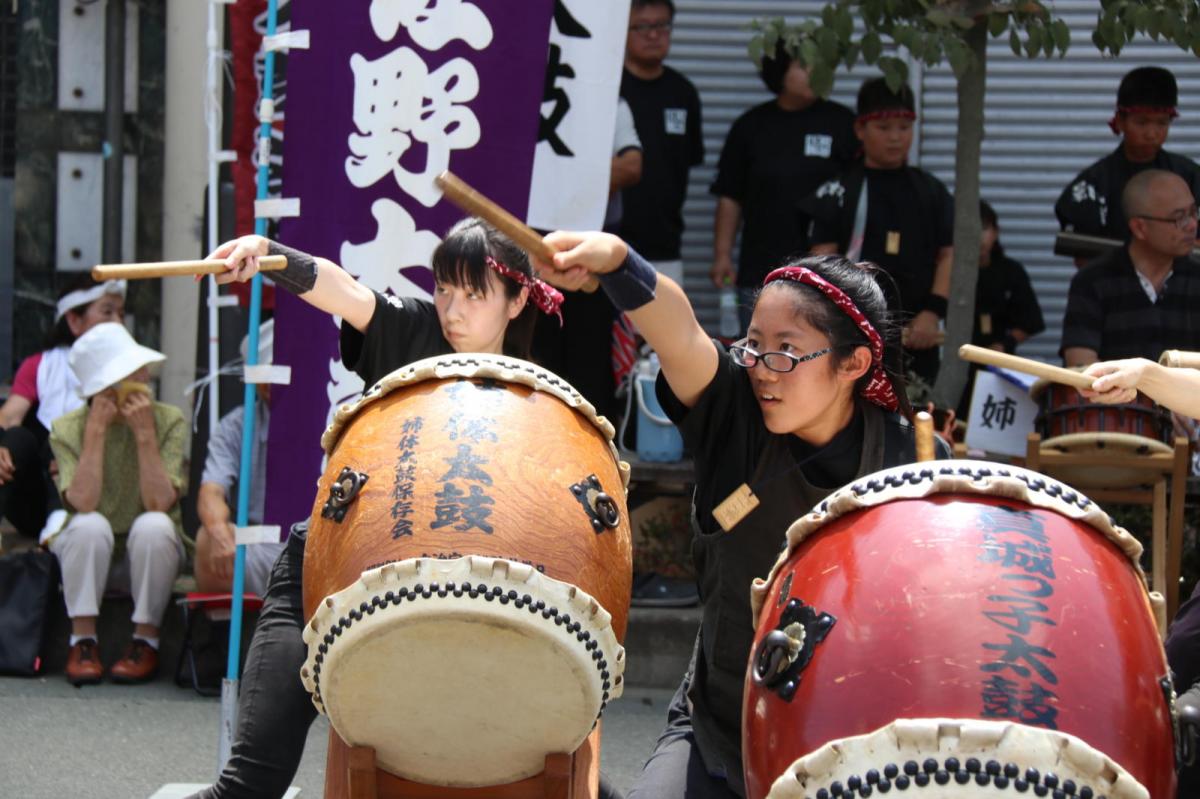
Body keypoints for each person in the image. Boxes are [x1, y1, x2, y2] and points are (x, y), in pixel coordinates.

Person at [191, 219, 625, 799]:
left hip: (489, 599)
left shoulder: (540, 401)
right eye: (445, 288)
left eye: (475, 294)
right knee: (248, 786)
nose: (453, 309)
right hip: (332, 573)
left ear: (519, 299)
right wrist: (270, 254)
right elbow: (342, 290)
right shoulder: (416, 335)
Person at [539, 230, 949, 797]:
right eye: (753, 345)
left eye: (784, 350)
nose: (760, 367)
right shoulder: (733, 410)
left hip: (856, 737)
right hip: (723, 723)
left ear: (854, 363)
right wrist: (617, 261)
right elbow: (680, 334)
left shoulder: (912, 459)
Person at [46, 322, 187, 685]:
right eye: (130, 372)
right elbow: (82, 501)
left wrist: (144, 436)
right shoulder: (66, 428)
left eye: (139, 369)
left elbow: (159, 502)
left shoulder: (167, 420)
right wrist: (95, 432)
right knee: (87, 525)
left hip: (149, 553)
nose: (142, 376)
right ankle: (83, 640)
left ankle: (145, 640)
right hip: (92, 554)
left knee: (155, 526)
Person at [803, 76, 954, 386]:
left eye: (903, 128)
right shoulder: (840, 191)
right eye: (884, 129)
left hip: (919, 334)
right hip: (853, 332)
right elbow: (822, 261)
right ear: (861, 129)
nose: (895, 138)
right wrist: (848, 320)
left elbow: (948, 254)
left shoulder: (931, 191)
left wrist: (932, 313)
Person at [710, 40, 856, 331]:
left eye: (820, 65)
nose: (814, 72)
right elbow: (730, 196)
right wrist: (722, 254)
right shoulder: (751, 126)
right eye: (804, 66)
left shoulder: (842, 124)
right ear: (779, 72)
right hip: (761, 265)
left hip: (826, 270)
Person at [0, 276, 126, 542]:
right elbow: (9, 416)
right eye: (107, 312)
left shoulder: (128, 367)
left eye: (121, 313)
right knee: (16, 439)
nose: (118, 322)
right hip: (37, 495)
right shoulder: (40, 365)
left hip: (98, 494)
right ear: (74, 321)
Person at [1061, 169, 1200, 368]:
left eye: (1193, 212)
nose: (1192, 225)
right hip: (1115, 396)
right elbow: (1080, 362)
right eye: (1178, 218)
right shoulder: (1093, 281)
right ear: (1139, 228)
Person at [1055, 66, 1200, 253]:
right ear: (1120, 121)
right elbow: (1084, 259)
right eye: (1142, 122)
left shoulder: (1190, 176)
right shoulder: (1094, 183)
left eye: (1162, 123)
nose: (1151, 133)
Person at [193, 319, 283, 596]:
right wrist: (219, 530)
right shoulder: (237, 425)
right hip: (257, 544)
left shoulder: (331, 414)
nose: (272, 387)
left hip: (319, 547)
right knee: (206, 541)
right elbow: (211, 491)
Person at [619, 0, 704, 286]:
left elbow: (686, 161)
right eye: (642, 26)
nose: (653, 35)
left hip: (665, 243)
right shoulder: (610, 89)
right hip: (611, 240)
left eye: (661, 25)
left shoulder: (683, 93)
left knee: (662, 329)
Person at [960, 200, 1045, 417]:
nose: (979, 237)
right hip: (957, 360)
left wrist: (1004, 344)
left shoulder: (1010, 271)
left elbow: (1032, 321)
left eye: (985, 229)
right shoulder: (948, 272)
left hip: (999, 361)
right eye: (972, 230)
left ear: (996, 232)